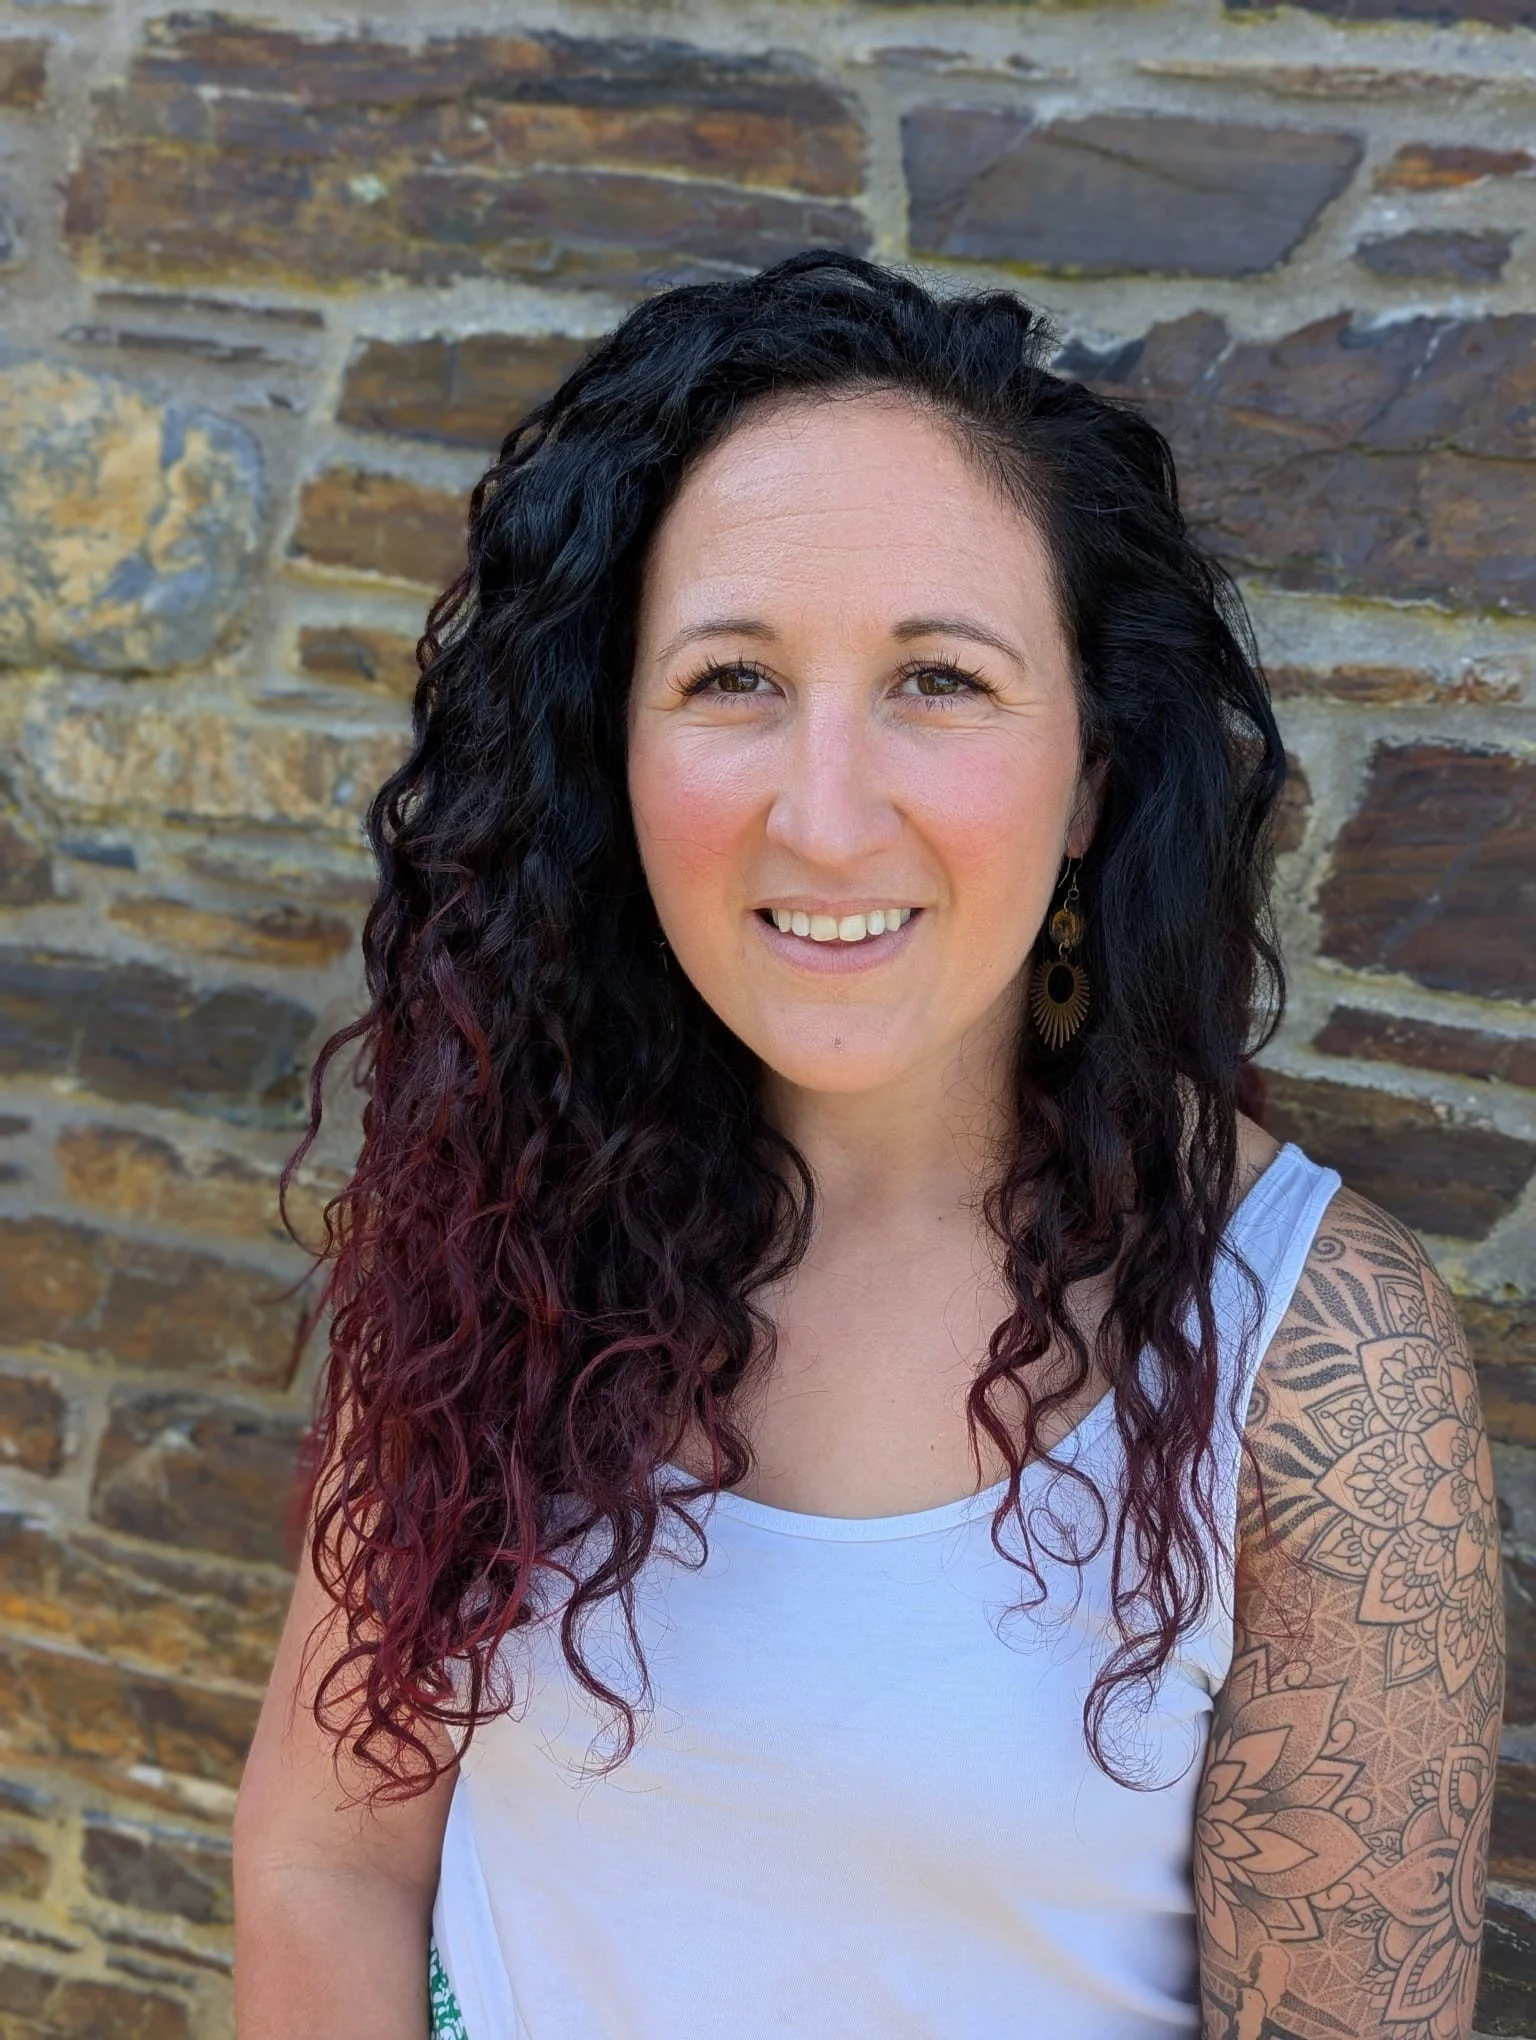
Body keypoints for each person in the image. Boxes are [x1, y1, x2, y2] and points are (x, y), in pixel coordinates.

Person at [232, 252, 1503, 2040]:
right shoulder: (503, 1204)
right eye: (734, 676)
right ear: (614, 745)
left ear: (1092, 774)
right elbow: (330, 1862)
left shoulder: (1315, 1364)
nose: (825, 819)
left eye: (941, 680)